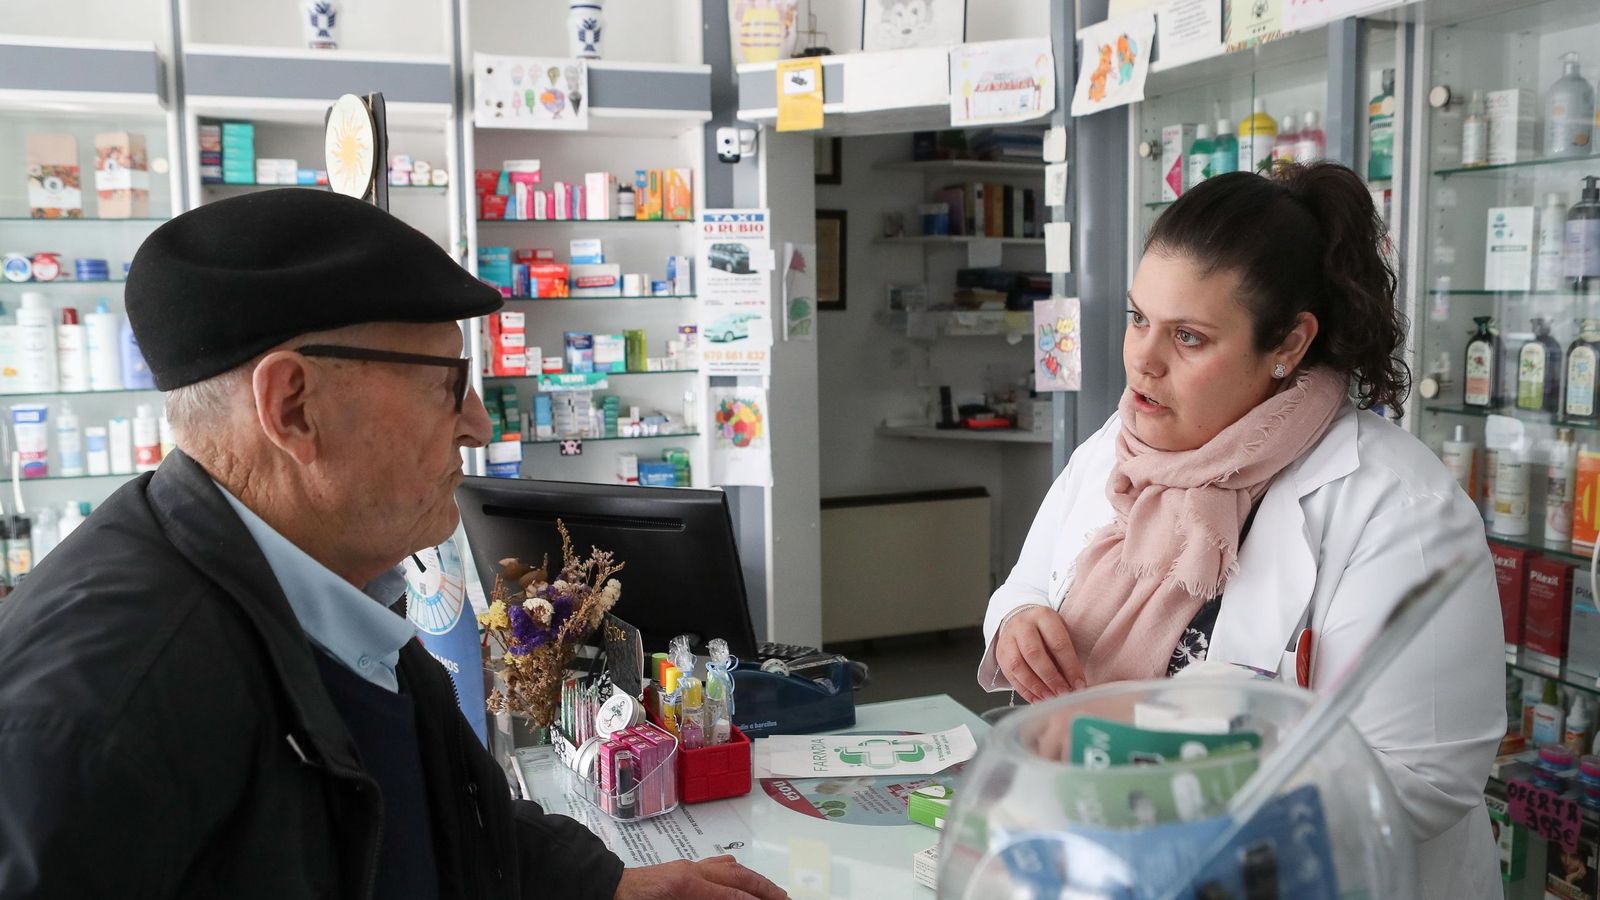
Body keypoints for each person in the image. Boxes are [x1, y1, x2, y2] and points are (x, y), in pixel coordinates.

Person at [0, 189, 786, 900]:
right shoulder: (104, 707)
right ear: (294, 407)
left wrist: (606, 888)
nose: (478, 423)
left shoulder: (333, 586)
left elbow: (438, 813)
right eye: (448, 381)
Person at [977, 163, 1504, 899]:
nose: (1142, 361)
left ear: (1287, 344)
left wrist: (1162, 745)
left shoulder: (1396, 506)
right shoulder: (1120, 447)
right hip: (1104, 859)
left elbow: (1424, 780)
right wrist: (1020, 622)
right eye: (1137, 319)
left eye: (1189, 337)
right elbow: (1028, 583)